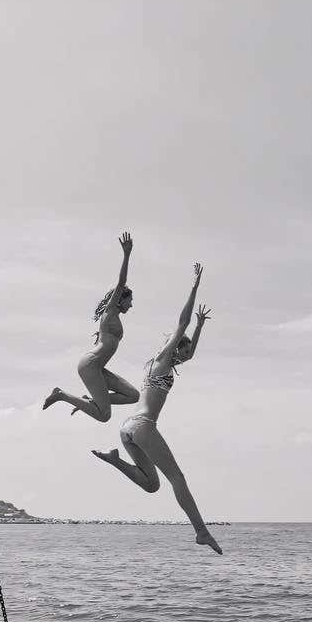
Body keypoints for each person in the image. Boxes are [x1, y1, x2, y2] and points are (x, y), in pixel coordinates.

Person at [93, 262, 222, 554]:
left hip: (128, 428)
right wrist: (195, 287)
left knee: (152, 485)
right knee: (178, 478)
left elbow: (189, 352)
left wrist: (200, 328)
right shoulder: (163, 358)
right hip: (143, 426)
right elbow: (182, 323)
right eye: (183, 351)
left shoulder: (161, 365)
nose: (184, 358)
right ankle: (201, 532)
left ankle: (115, 459)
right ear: (175, 348)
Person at [43, 233, 139, 422]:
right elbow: (121, 283)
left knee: (133, 395)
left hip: (98, 367)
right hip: (90, 366)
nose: (131, 305)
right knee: (104, 416)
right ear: (120, 299)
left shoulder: (114, 317)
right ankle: (61, 395)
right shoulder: (110, 311)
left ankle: (90, 401)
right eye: (130, 301)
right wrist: (127, 255)